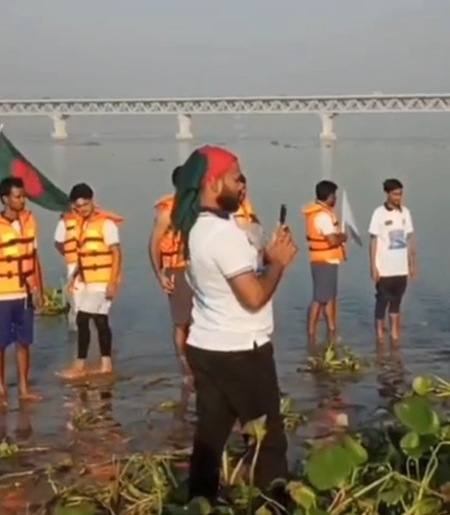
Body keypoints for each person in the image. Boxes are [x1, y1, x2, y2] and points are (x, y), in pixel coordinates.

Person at [171, 146, 297, 506]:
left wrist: (265, 256)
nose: (244, 185)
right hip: (241, 351)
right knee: (268, 440)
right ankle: (273, 506)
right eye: (237, 178)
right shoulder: (221, 235)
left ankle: (201, 501)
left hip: (207, 345)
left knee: (211, 435)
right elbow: (254, 298)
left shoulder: (199, 227)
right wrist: (278, 264)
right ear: (213, 182)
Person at [0, 177, 45, 406]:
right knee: (1, 343)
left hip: (24, 292)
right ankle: (1, 390)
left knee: (24, 343)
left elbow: (34, 258)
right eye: (17, 196)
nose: (22, 200)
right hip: (2, 294)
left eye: (23, 196)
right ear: (5, 198)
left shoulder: (28, 222)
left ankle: (24, 388)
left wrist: (40, 289)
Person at [58, 183, 123, 379]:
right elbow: (83, 254)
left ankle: (80, 364)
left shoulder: (106, 224)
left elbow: (116, 253)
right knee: (99, 320)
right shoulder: (83, 225)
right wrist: (74, 277)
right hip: (87, 280)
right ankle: (106, 364)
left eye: (85, 205)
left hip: (103, 280)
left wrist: (113, 282)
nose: (82, 210)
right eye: (78, 207)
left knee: (83, 318)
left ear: (92, 201)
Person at [148, 166, 195, 381]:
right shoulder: (167, 213)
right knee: (182, 322)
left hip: (197, 270)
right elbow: (154, 245)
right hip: (176, 269)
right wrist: (160, 275)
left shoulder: (197, 208)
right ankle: (184, 366)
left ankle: (199, 362)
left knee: (200, 320)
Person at [368, 178, 417, 343]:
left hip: (400, 267)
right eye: (395, 194)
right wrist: (373, 267)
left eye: (400, 194)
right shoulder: (378, 214)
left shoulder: (405, 213)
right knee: (382, 301)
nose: (398, 198)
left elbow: (409, 239)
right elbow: (373, 241)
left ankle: (395, 334)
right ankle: (379, 336)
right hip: (384, 268)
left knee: (396, 303)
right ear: (388, 194)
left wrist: (412, 264)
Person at [302, 180, 348, 344]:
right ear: (329, 197)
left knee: (329, 297)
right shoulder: (322, 216)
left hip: (327, 261)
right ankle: (311, 333)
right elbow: (332, 240)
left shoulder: (323, 213)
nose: (335, 199)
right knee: (320, 298)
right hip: (323, 261)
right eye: (334, 195)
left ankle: (331, 328)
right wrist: (344, 236)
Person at [53, 199, 83, 331]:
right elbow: (58, 242)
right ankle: (76, 339)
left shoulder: (95, 218)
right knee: (77, 304)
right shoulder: (65, 220)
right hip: (73, 265)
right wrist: (69, 254)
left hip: (94, 266)